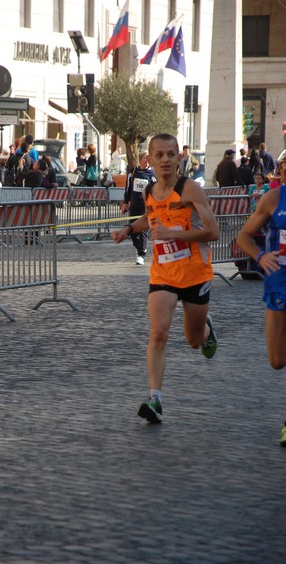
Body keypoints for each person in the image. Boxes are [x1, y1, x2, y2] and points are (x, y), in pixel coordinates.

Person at [111, 133, 219, 424]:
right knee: (158, 333)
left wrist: (175, 234)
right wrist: (130, 229)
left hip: (195, 272)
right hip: (163, 273)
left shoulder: (190, 191)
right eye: (159, 155)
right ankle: (155, 398)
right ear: (151, 158)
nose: (165, 160)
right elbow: (150, 217)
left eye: (171, 154)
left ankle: (206, 332)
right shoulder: (149, 191)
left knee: (194, 341)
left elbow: (213, 231)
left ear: (179, 158)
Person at [236, 156, 286, 446]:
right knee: (277, 360)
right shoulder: (272, 200)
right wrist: (260, 257)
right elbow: (243, 236)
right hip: (278, 280)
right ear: (280, 173)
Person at [121, 151, 156, 265]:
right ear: (140, 159)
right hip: (134, 206)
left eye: (149, 159)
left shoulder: (152, 174)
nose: (147, 161)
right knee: (133, 231)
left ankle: (141, 254)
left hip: (146, 207)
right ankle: (141, 248)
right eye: (145, 158)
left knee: (143, 232)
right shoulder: (133, 171)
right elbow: (128, 188)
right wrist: (125, 203)